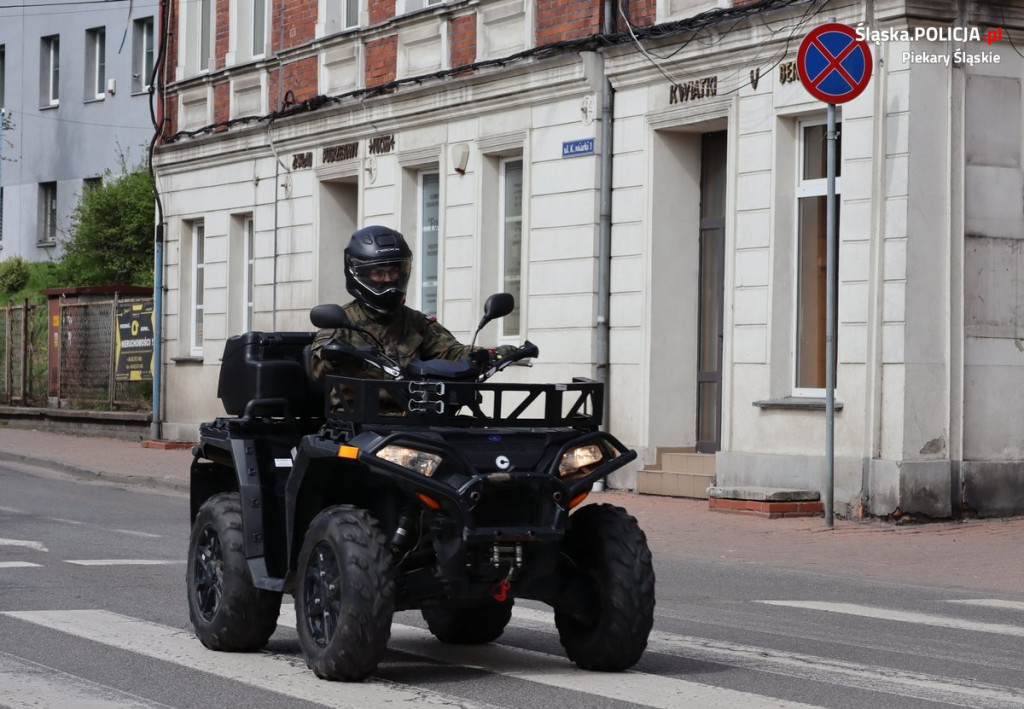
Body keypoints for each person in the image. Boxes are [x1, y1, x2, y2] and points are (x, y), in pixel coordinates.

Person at [310, 225, 514, 380]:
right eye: (379, 273)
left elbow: (452, 352)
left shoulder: (416, 322)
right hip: (357, 422)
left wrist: (487, 354)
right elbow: (317, 369)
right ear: (359, 275)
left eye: (393, 271)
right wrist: (337, 355)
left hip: (416, 418)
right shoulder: (341, 322)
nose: (388, 279)